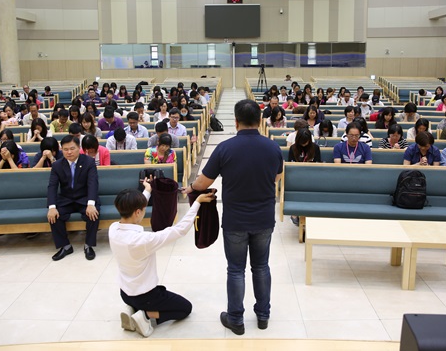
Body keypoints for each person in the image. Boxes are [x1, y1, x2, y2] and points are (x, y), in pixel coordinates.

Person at [184, 99, 282, 335]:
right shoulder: (273, 148)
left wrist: (191, 187)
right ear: (260, 120)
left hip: (236, 220)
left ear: (236, 121)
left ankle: (236, 319)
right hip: (263, 219)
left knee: (236, 270)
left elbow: (203, 182)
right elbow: (276, 178)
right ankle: (263, 315)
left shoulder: (225, 148)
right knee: (261, 266)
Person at [111, 181, 215, 337]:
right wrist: (197, 203)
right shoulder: (142, 240)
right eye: (143, 209)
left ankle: (131, 308)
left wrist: (148, 190)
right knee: (185, 308)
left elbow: (135, 208)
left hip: (125, 293)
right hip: (145, 297)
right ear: (138, 212)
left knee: (151, 298)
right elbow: (179, 230)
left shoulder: (113, 229)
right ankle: (145, 315)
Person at [47, 135, 100, 261]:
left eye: (72, 148)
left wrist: (91, 204)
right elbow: (52, 186)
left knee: (93, 214)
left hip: (84, 198)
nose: (69, 152)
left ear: (78, 148)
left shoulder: (88, 162)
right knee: (54, 215)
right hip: (66, 199)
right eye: (65, 149)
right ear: (61, 150)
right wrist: (52, 207)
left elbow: (93, 183)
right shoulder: (57, 165)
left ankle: (88, 245)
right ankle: (65, 246)